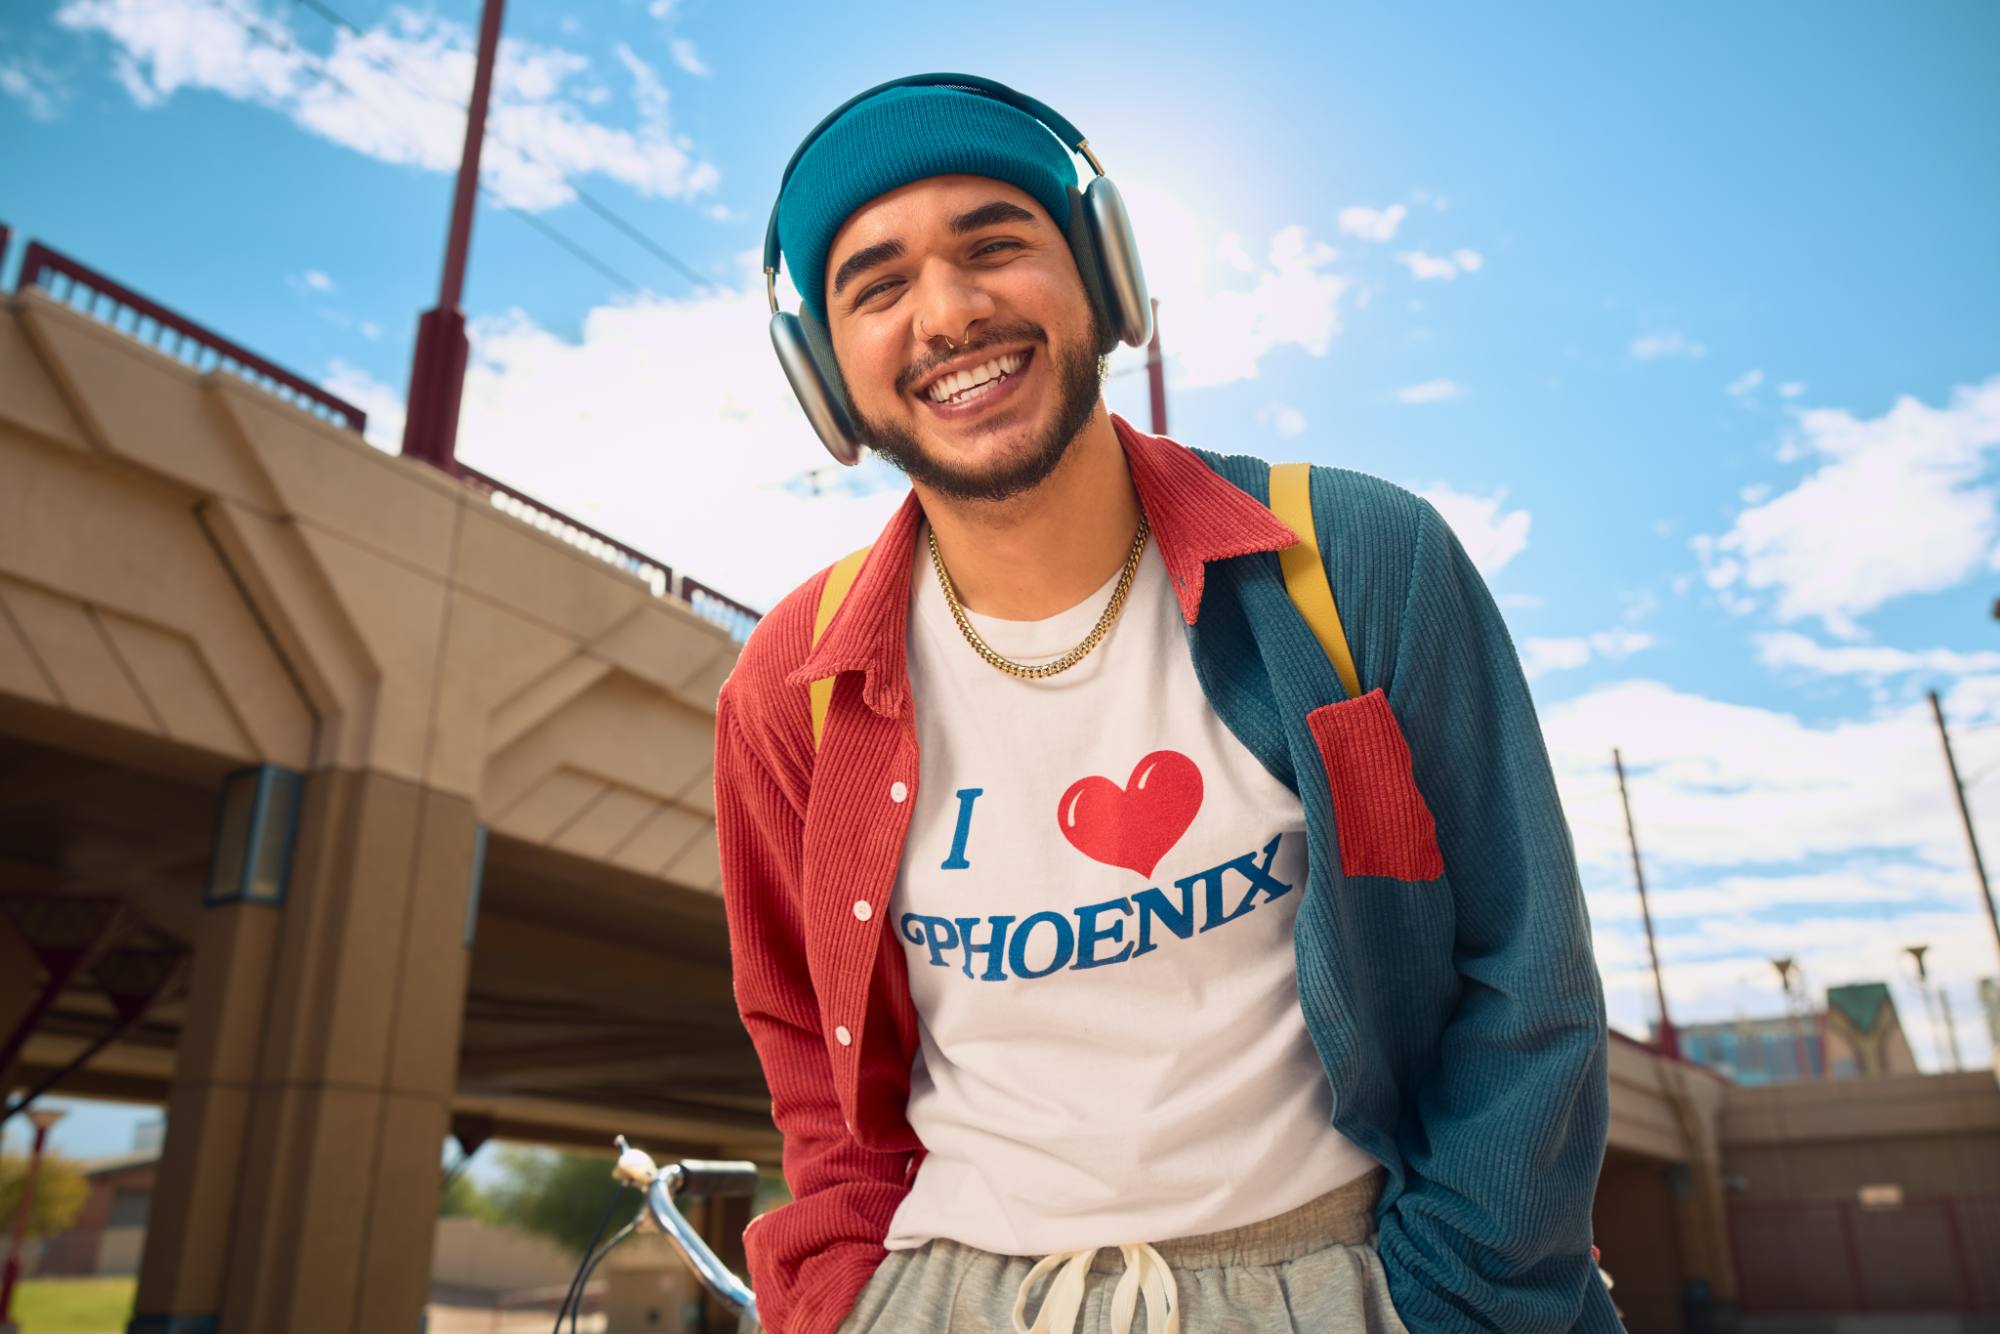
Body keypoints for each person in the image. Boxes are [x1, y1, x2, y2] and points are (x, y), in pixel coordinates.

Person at [714, 74, 1621, 1334]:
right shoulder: (791, 685)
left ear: (1103, 277)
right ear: (823, 370)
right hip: (949, 1293)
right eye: (877, 285)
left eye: (995, 245)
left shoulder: (1353, 559)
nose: (950, 310)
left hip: (1340, 1281)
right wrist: (845, 1304)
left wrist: (1448, 1302)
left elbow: (1524, 976)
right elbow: (809, 1065)